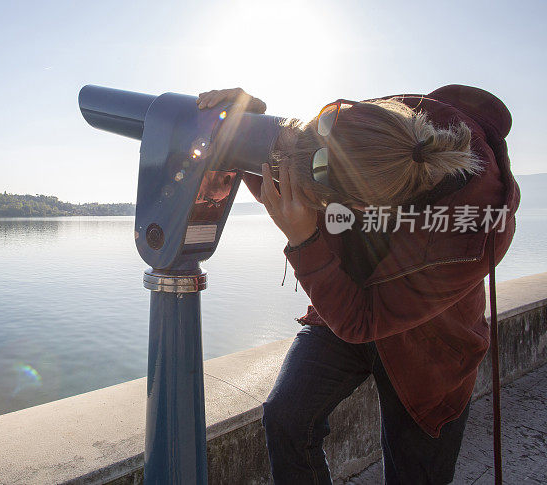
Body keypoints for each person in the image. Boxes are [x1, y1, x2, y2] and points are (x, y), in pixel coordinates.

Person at [197, 85, 520, 484]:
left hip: (430, 340)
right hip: (343, 294)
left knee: (417, 475)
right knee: (287, 419)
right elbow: (295, 169)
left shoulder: (472, 235)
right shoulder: (378, 128)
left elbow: (363, 321)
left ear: (362, 209)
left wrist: (304, 240)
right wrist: (250, 127)